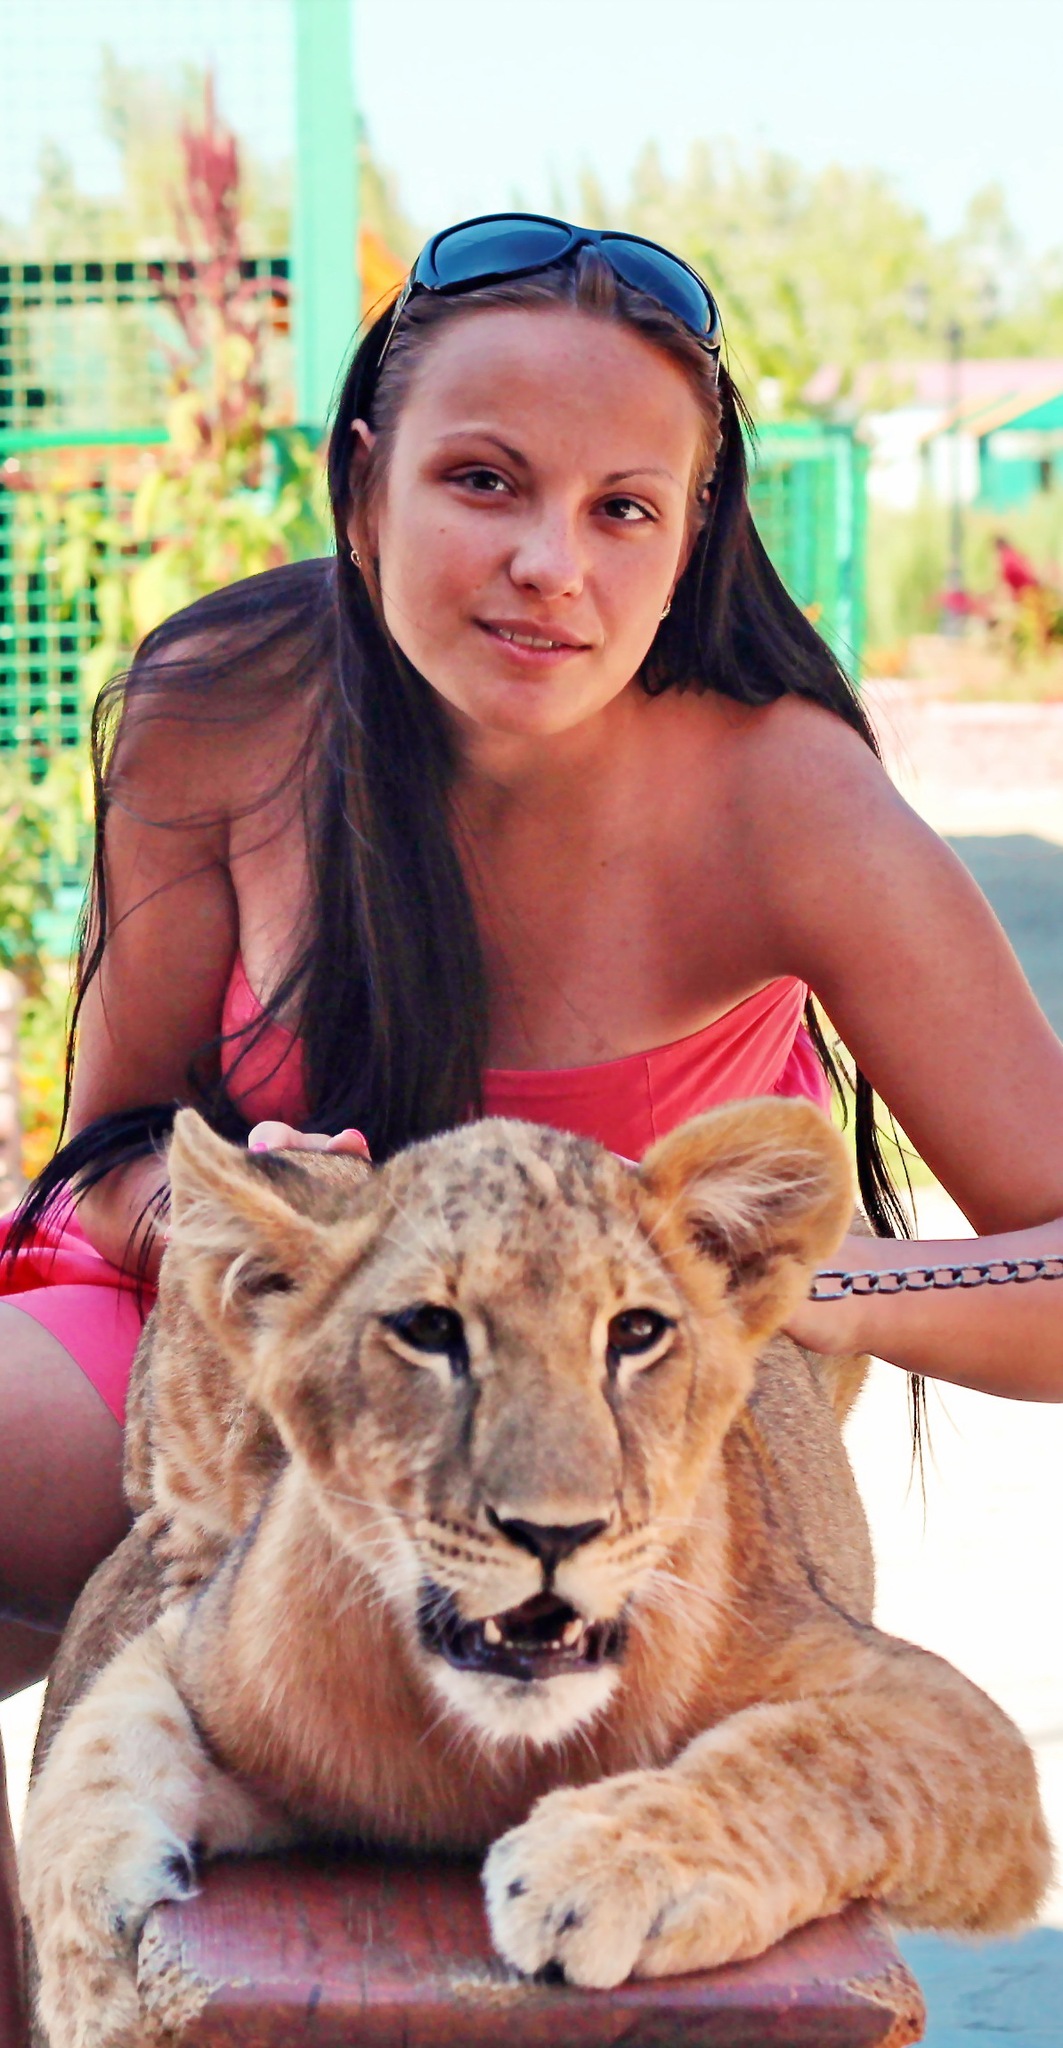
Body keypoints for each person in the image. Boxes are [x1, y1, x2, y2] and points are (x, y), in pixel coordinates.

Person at [2, 213, 1062, 2037]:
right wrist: (253, 1221)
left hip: (616, 1431)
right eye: (483, 481)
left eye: (622, 509)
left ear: (691, 538)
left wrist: (781, 1298)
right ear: (365, 487)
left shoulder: (787, 797)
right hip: (275, 1354)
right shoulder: (221, 712)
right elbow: (101, 1153)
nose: (548, 565)